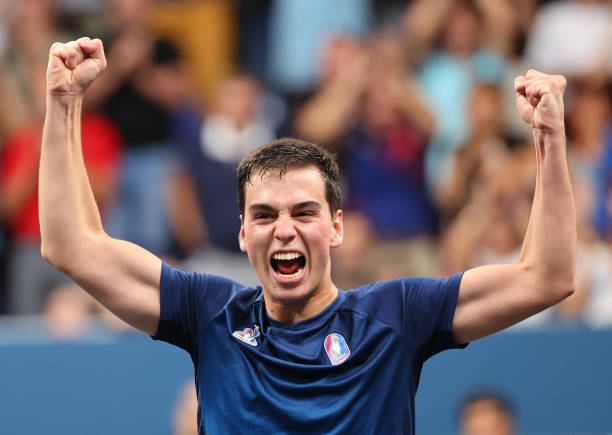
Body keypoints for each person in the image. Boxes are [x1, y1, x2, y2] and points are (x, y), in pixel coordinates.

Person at [40, 38, 575, 434]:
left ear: (337, 226)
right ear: (244, 232)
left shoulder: (398, 314)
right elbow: (73, 246)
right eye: (266, 215)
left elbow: (545, 278)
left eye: (304, 211)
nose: (285, 230)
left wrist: (549, 137)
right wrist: (63, 104)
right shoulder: (208, 312)